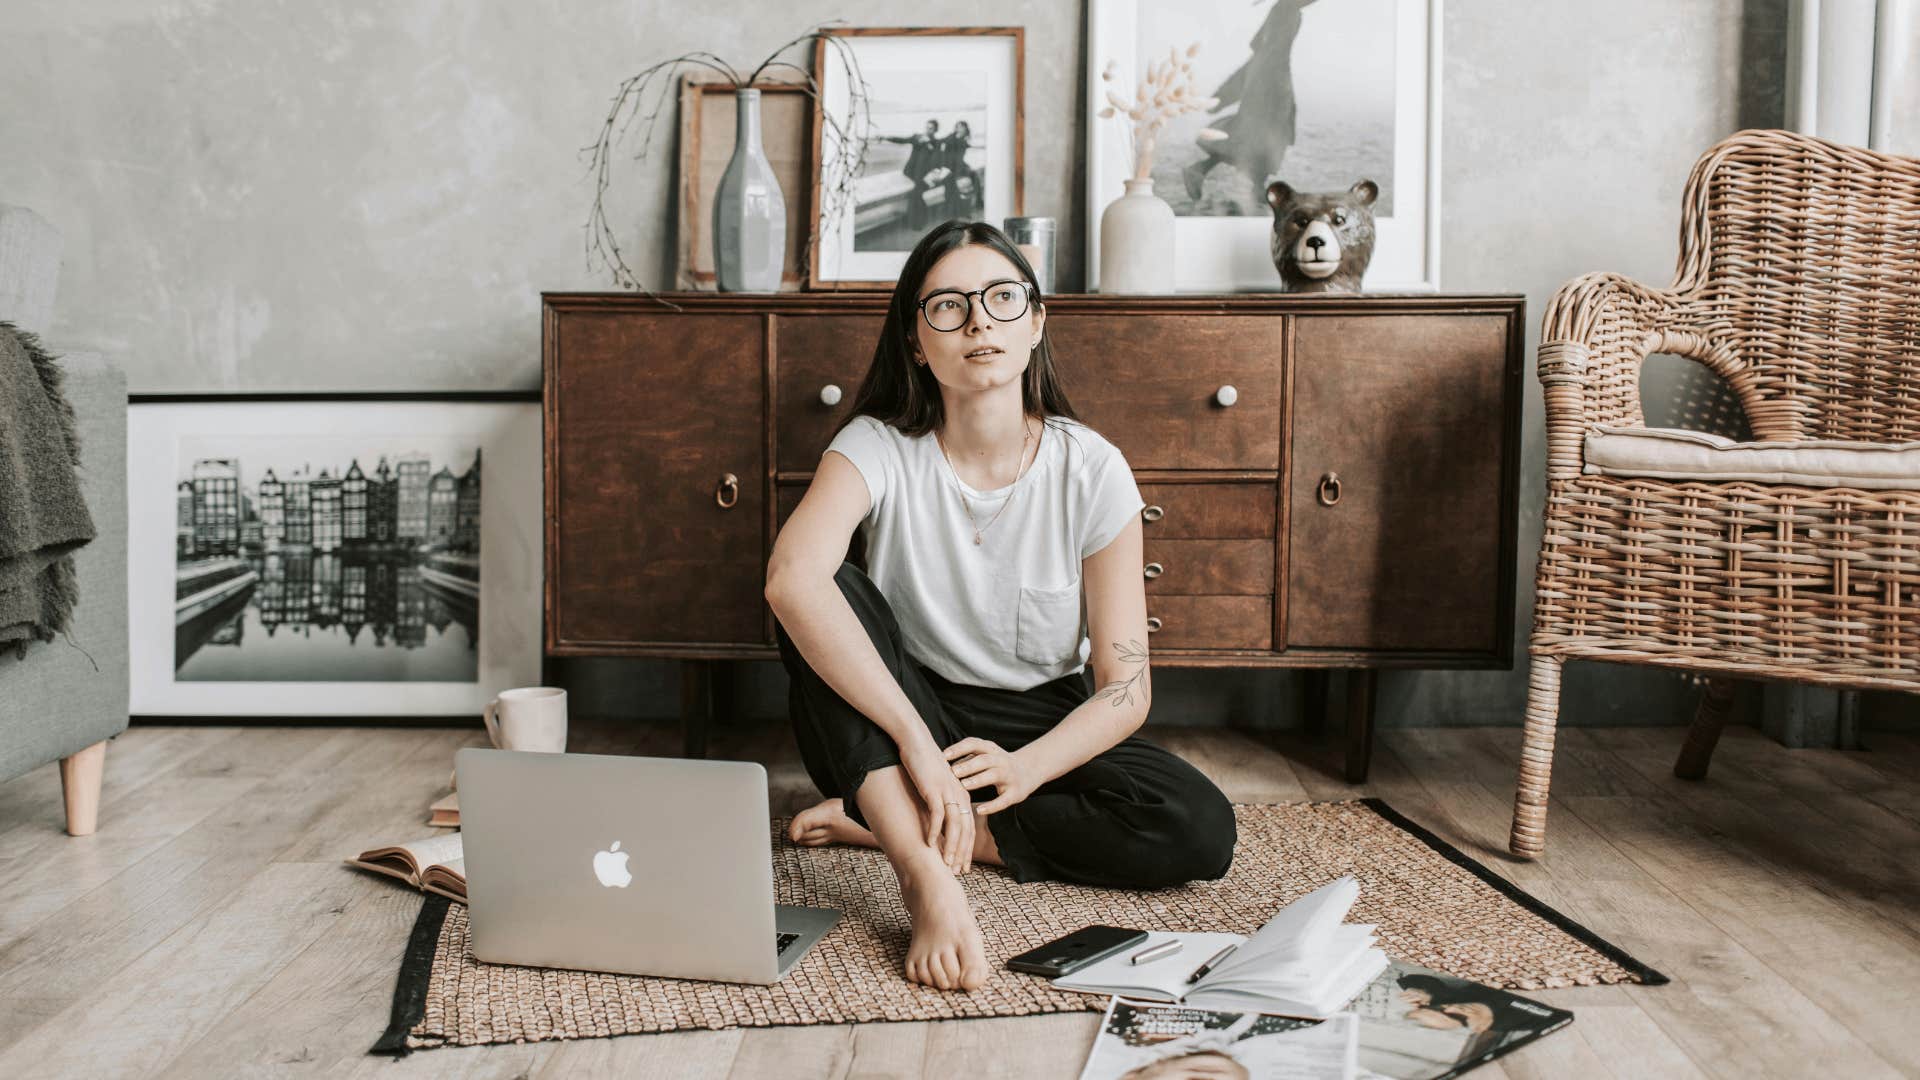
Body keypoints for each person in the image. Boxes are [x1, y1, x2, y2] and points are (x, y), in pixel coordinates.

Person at [765, 220, 1237, 992]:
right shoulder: (877, 445)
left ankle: (886, 820)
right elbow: (790, 579)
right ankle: (922, 870)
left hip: (1035, 717)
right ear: (917, 341)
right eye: (947, 305)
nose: (979, 320)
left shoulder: (1093, 469)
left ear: (1036, 320)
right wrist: (917, 743)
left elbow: (1126, 687)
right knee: (822, 592)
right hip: (902, 707)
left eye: (1001, 298)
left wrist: (1025, 768)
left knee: (1196, 826)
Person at [877, 119, 942, 228]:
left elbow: (937, 159)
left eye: (931, 128)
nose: (928, 130)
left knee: (916, 194)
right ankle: (918, 220)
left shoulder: (937, 143)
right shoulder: (917, 137)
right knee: (916, 194)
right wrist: (885, 137)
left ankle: (917, 221)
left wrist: (929, 145)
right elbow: (901, 140)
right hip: (911, 172)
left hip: (924, 175)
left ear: (935, 130)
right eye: (927, 127)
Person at [934, 120, 981, 217]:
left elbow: (964, 149)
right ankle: (951, 213)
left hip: (960, 165)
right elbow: (940, 143)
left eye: (962, 127)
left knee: (974, 177)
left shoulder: (964, 139)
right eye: (958, 127)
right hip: (949, 166)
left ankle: (977, 204)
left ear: (966, 129)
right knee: (953, 184)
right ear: (956, 128)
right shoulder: (951, 137)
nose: (960, 129)